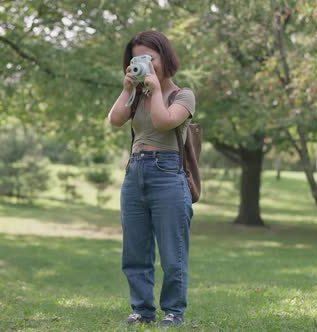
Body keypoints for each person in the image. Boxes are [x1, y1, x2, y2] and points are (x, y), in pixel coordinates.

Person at [107, 31, 196, 327]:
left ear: (164, 58)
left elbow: (164, 121)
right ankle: (142, 310)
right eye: (136, 59)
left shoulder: (182, 95)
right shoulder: (137, 97)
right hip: (135, 172)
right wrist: (127, 89)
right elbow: (114, 120)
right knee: (135, 250)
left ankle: (173, 312)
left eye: (149, 58)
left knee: (173, 254)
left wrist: (156, 90)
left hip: (168, 175)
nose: (144, 64)